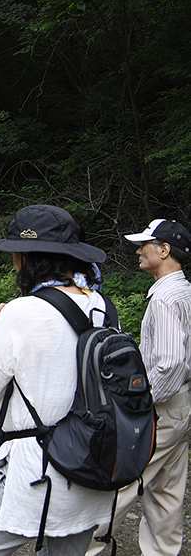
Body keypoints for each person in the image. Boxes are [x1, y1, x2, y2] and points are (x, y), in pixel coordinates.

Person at [0, 204, 113, 555]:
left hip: (38, 469)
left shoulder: (24, 310)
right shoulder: (102, 305)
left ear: (25, 258)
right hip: (92, 463)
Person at [85, 219, 191, 556]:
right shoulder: (184, 291)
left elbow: (172, 361)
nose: (138, 250)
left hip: (163, 407)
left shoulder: (164, 298)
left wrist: (144, 402)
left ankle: (83, 547)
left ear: (165, 250)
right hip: (183, 406)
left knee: (123, 479)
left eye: (146, 244)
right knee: (168, 491)